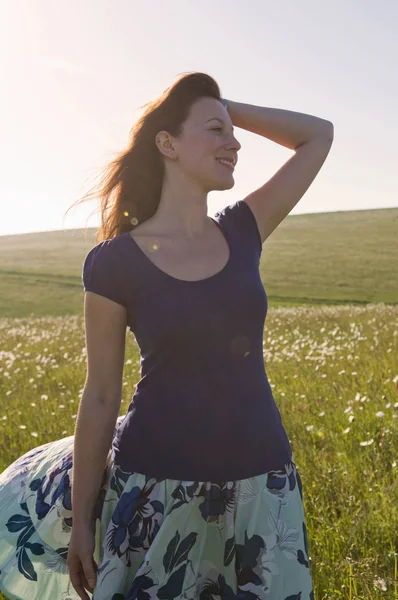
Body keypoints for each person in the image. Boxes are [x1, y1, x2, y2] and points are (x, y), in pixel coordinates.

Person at [0, 71, 333, 599]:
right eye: (215, 131)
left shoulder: (242, 230)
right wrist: (83, 521)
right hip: (156, 489)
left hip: (263, 483)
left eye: (233, 132)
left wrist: (226, 108)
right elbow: (102, 393)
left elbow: (319, 135)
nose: (235, 143)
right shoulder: (114, 263)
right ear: (167, 143)